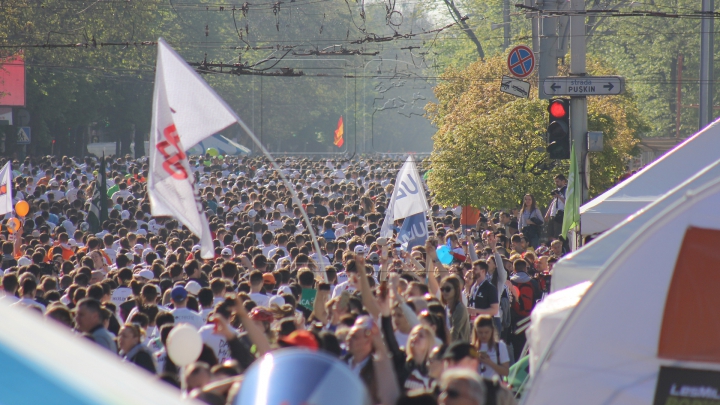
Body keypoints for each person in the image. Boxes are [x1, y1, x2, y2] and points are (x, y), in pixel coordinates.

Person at [440, 275, 470, 343]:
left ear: (456, 289)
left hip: (460, 349)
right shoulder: (445, 308)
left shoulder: (460, 308)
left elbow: (454, 333)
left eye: (448, 289)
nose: (444, 292)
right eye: (442, 289)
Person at [544, 174, 567, 240]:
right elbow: (553, 202)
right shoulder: (558, 190)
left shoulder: (566, 190)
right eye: (555, 182)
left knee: (557, 234)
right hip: (553, 214)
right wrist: (548, 213)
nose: (556, 183)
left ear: (563, 181)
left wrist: (559, 196)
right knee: (549, 234)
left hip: (560, 214)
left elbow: (567, 202)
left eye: (558, 181)